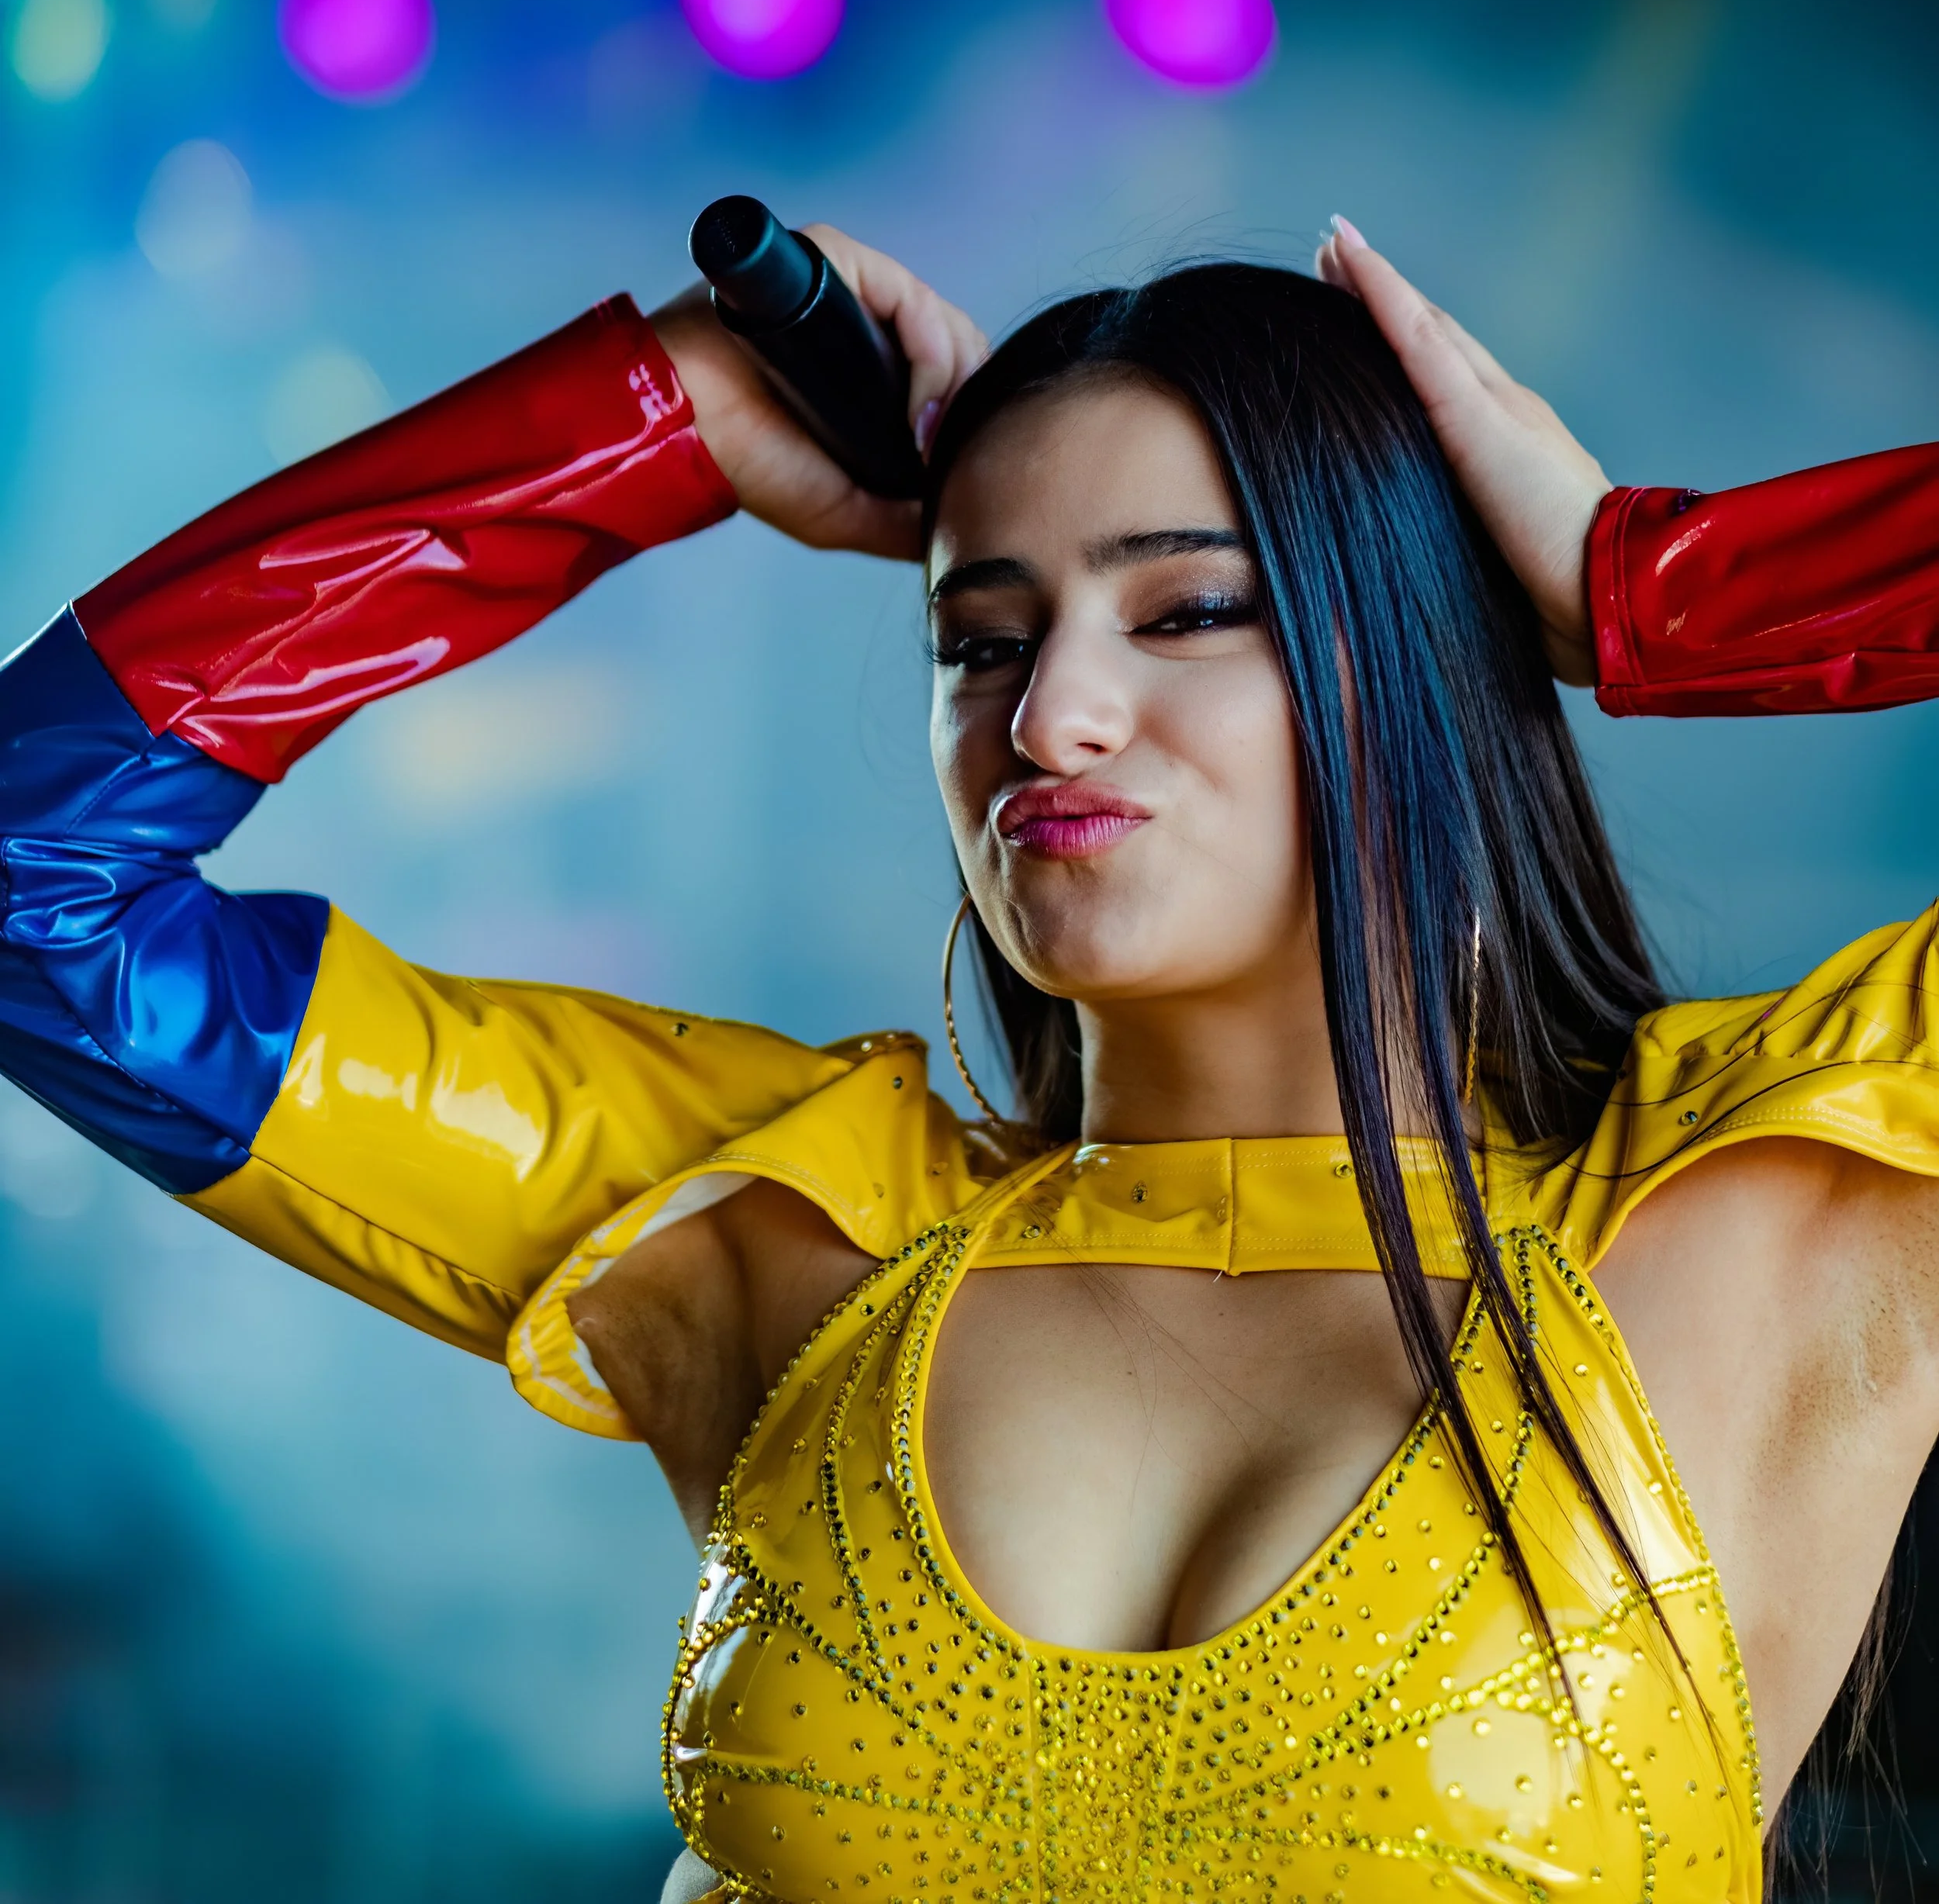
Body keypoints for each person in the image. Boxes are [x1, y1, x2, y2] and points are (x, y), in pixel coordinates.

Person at [3, 217, 1937, 1904]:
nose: (1052, 715)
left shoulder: (1777, 1206)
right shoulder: (778, 1220)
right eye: (980, 638)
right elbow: (35, 883)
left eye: (1185, 609)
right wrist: (639, 427)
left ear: (1414, 649)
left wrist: (1662, 587)